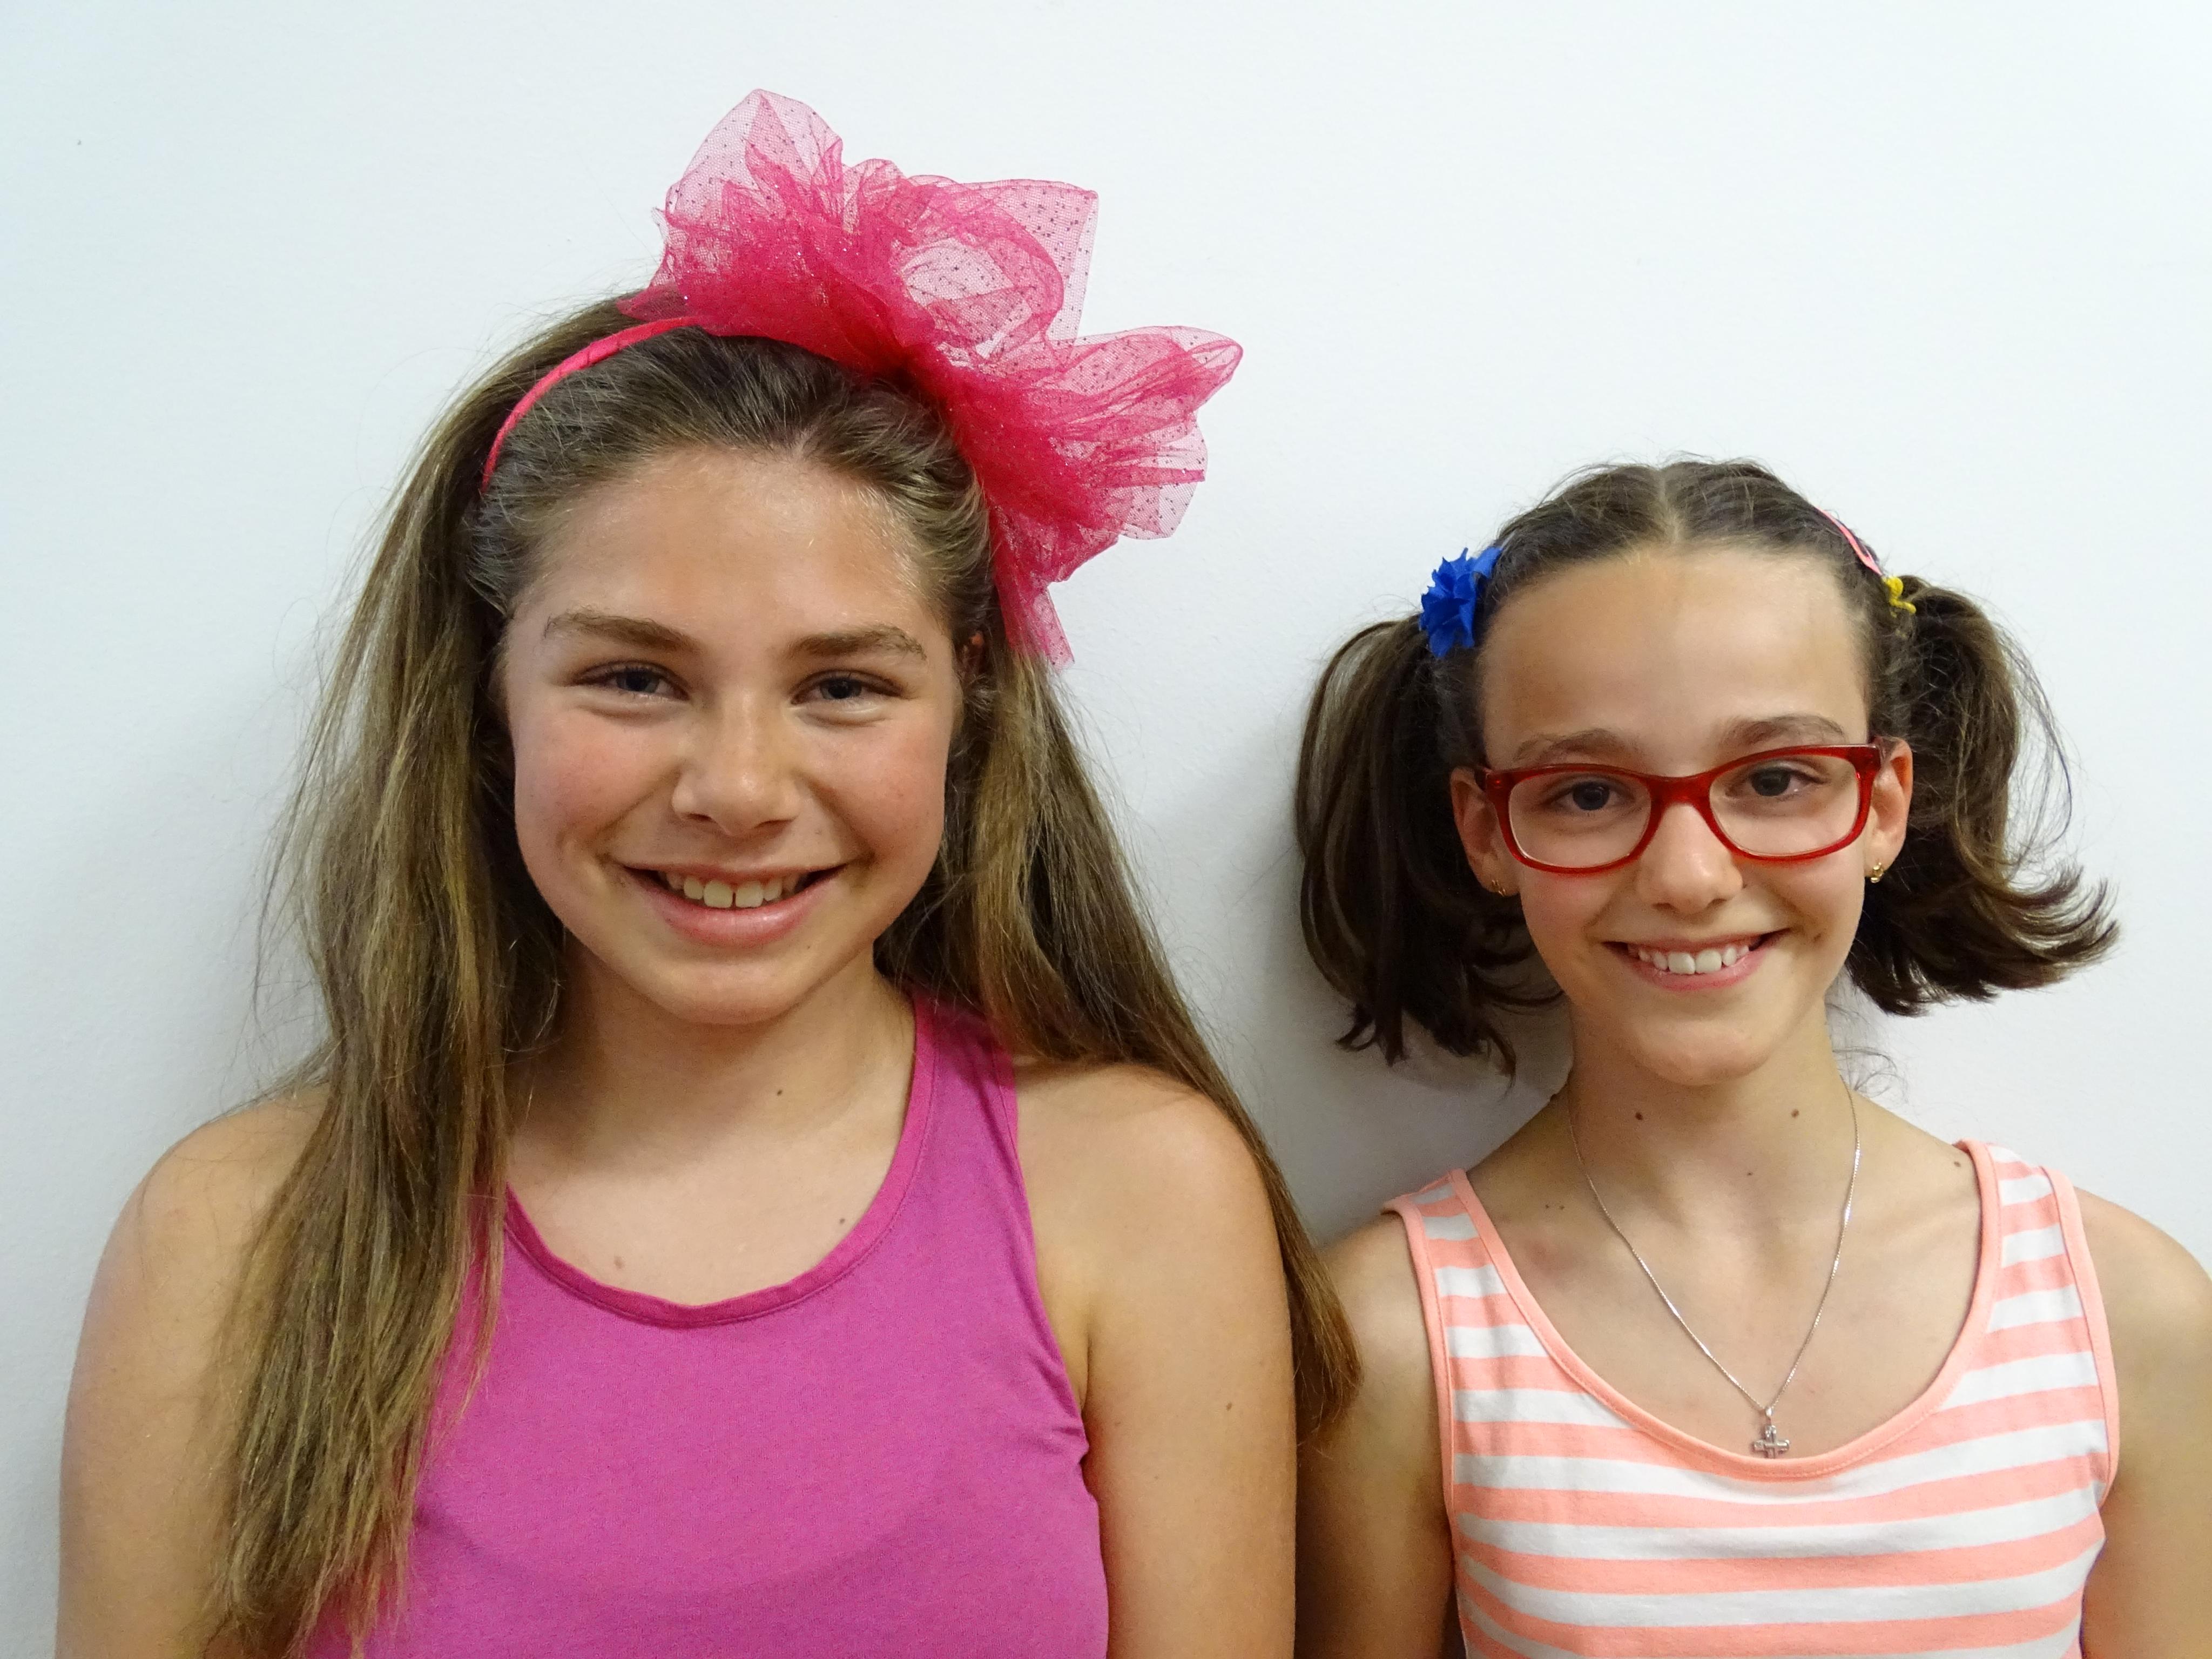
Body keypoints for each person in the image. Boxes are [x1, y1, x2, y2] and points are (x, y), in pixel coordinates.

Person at [59, 90, 1350, 1658]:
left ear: (968, 706)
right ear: (486, 696)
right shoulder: (233, 1240)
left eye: (843, 686)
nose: (737, 790)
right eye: (633, 678)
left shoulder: (1142, 1196)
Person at [1291, 460, 2212, 1657]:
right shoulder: (1392, 1337)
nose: (1688, 876)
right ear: (1486, 829)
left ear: (1884, 802)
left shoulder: (2123, 1313)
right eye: (1586, 793)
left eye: (1776, 779)